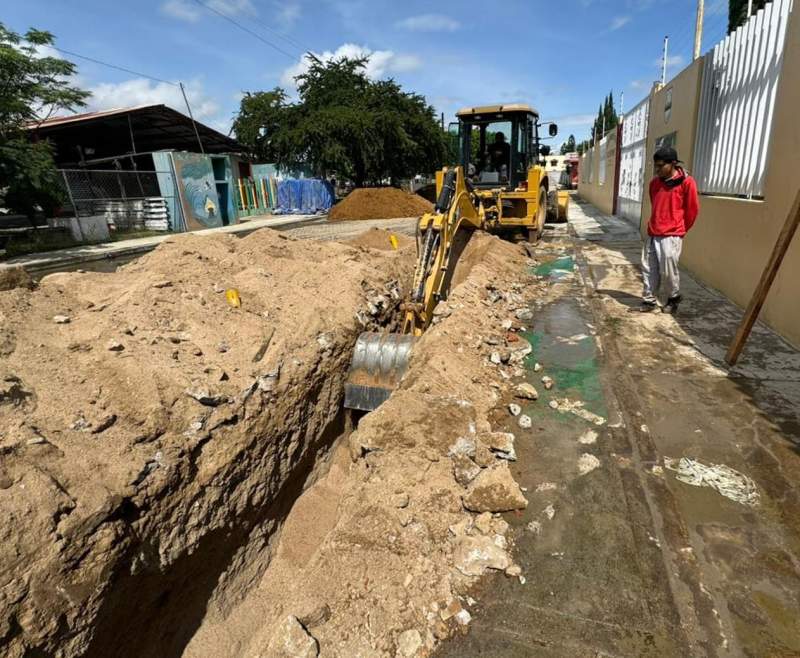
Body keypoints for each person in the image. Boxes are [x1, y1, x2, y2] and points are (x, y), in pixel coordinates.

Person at [640, 146, 699, 314]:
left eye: (660, 166)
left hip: (672, 234)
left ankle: (672, 298)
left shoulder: (687, 182)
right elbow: (655, 203)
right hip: (654, 231)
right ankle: (649, 300)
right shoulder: (655, 183)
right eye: (655, 166)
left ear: (672, 164)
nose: (657, 170)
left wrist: (679, 229)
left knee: (667, 270)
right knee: (648, 268)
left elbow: (692, 210)